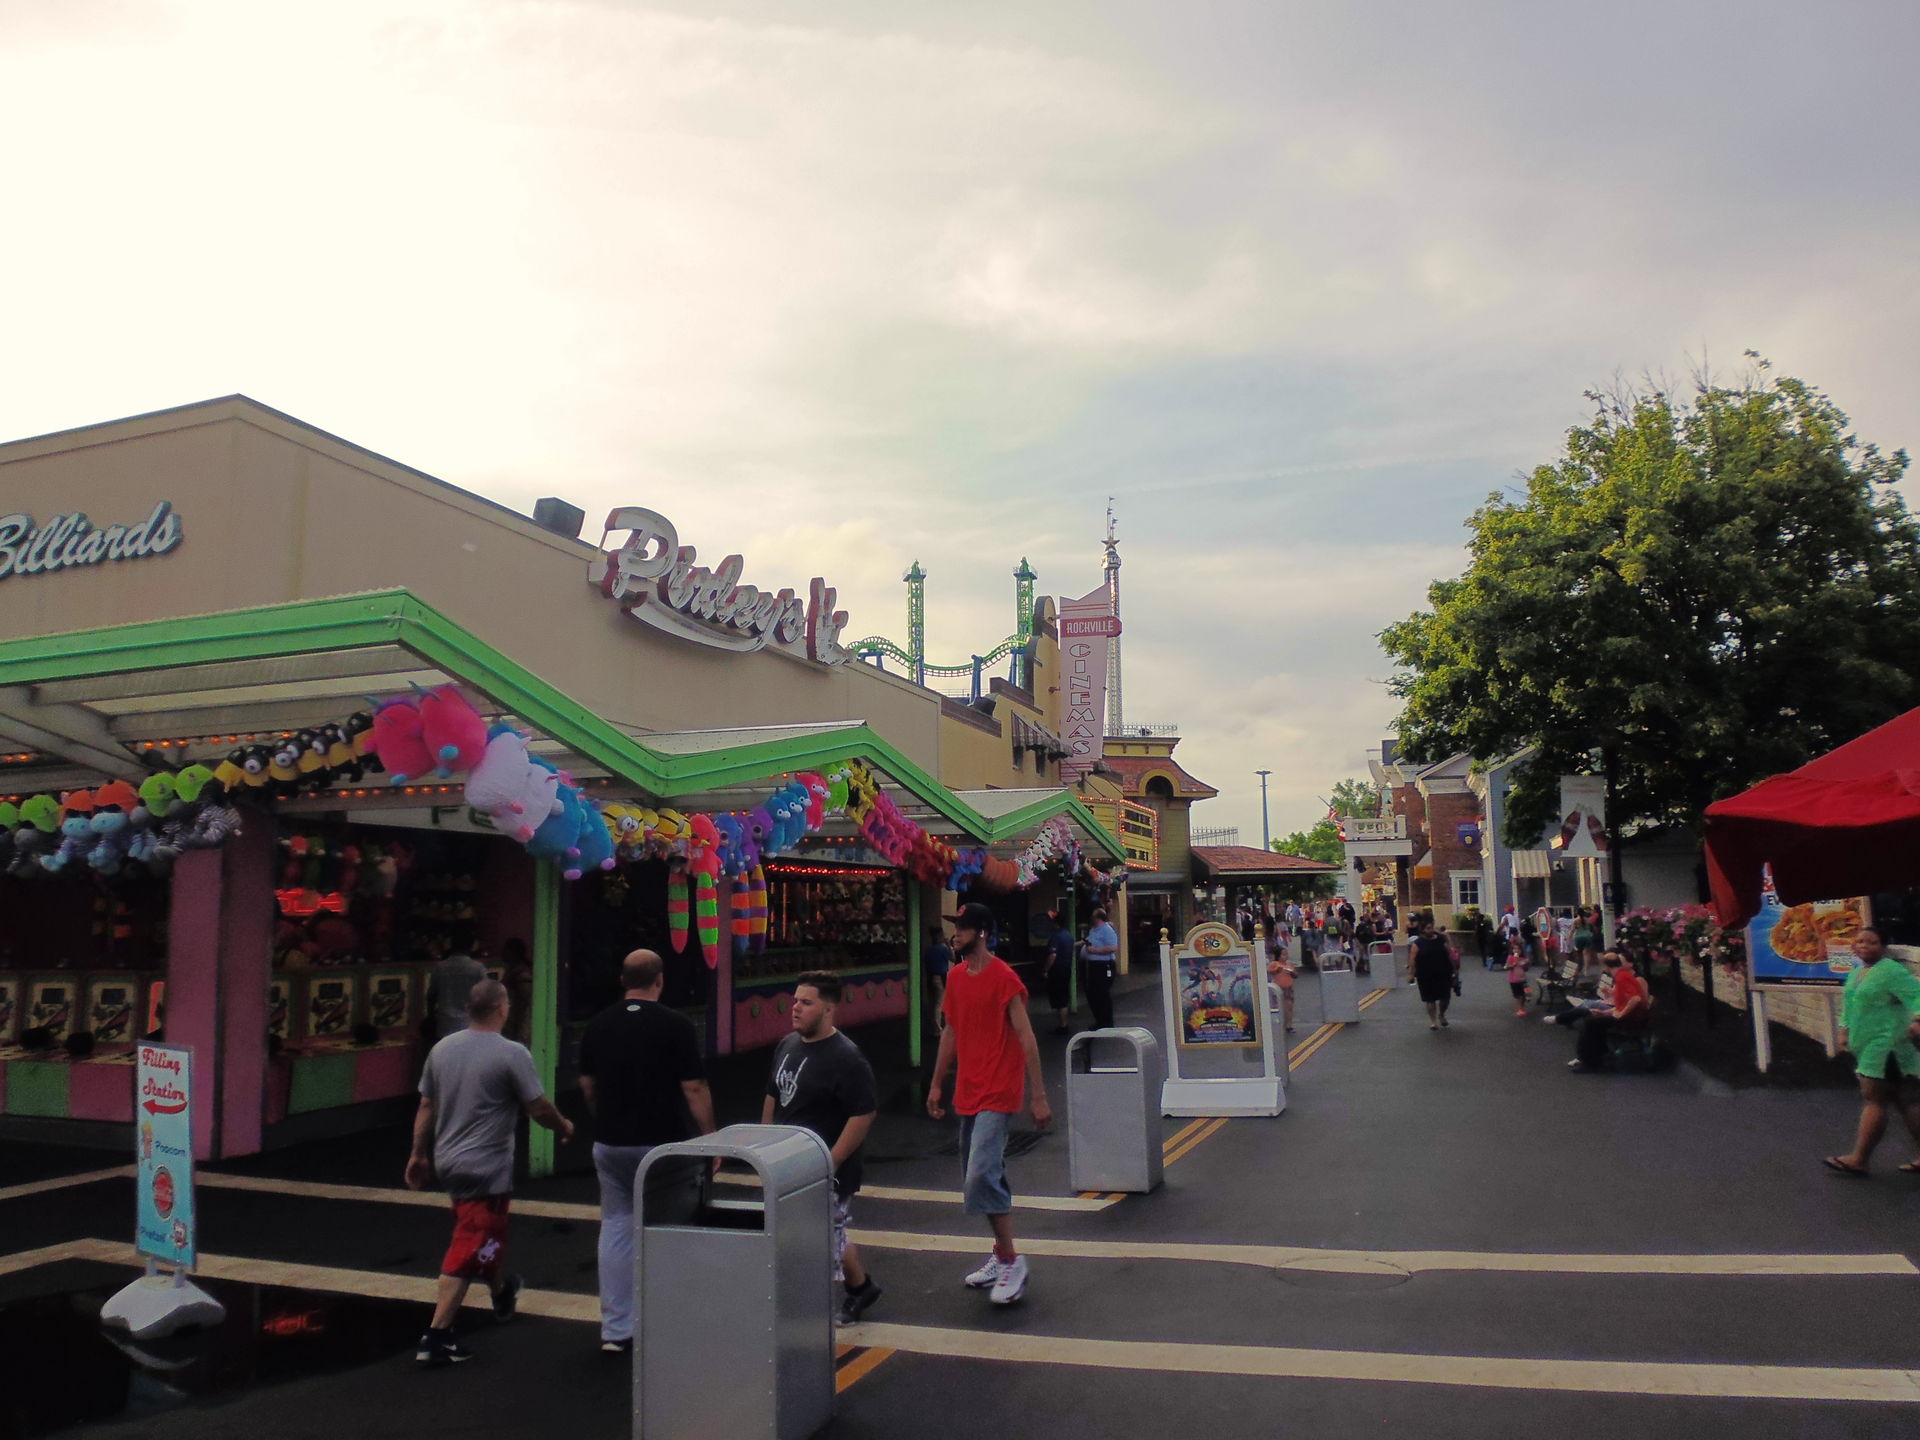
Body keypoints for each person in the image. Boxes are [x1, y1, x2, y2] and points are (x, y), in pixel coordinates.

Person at [406, 978, 573, 1367]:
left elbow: (427, 1106)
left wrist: (418, 1154)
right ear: (502, 1008)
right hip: (488, 1168)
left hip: (449, 1162)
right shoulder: (512, 1053)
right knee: (471, 1240)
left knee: (482, 1231)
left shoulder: (442, 1049)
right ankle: (437, 1335)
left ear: (469, 1009)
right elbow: (538, 1107)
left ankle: (501, 1291)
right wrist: (564, 1125)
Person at [578, 950, 716, 1356]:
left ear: (623, 981)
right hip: (662, 1144)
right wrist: (709, 1138)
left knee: (616, 1226)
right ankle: (671, 1316)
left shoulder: (598, 1024)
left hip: (610, 1143)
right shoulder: (676, 1025)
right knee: (671, 1225)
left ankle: (616, 1329)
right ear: (660, 980)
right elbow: (694, 1087)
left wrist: (603, 1118)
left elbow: (588, 1085)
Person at [927, 901, 1051, 1307]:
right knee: (978, 1176)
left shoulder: (1004, 978)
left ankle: (1012, 1261)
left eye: (962, 928)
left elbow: (1027, 1037)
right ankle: (1001, 1254)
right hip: (968, 1089)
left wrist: (1038, 1095)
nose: (955, 935)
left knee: (981, 1174)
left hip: (999, 1091)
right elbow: (950, 1032)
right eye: (955, 928)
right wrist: (935, 1085)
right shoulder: (955, 977)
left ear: (981, 932)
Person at [765, 970, 881, 1324]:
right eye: (795, 1000)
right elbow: (773, 1095)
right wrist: (764, 1143)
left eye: (806, 1002)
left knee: (822, 1238)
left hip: (826, 1168)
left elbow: (864, 1113)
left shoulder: (847, 1058)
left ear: (829, 1009)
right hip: (788, 1163)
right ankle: (861, 1288)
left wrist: (831, 1161)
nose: (795, 1007)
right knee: (827, 1231)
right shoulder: (787, 1045)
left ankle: (812, 1317)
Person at [1825, 929, 1920, 1177]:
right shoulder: (1857, 972)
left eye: (1872, 942)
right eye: (1859, 941)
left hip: (1886, 1045)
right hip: (1867, 1044)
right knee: (1907, 1101)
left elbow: (1917, 995)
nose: (1864, 946)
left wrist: (1918, 1020)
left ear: (1883, 946)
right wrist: (1844, 1031)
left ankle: (1859, 1159)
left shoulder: (1891, 971)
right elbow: (1850, 1005)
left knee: (1874, 1099)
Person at [1566, 952, 1649, 1071]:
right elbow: (1623, 1003)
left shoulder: (1622, 977)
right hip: (1631, 1016)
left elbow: (1635, 998)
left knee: (1590, 1023)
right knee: (1593, 1021)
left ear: (1605, 966)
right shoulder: (1621, 976)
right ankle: (1598, 1055)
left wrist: (1620, 1014)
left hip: (1631, 1019)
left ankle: (1587, 1061)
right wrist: (1606, 1013)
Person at [426, 950, 487, 1043]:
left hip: (445, 1024)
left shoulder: (440, 967)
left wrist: (431, 1017)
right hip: (470, 1024)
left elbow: (431, 996)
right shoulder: (478, 968)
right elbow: (486, 996)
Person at [1407, 918, 1456, 1030]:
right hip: (1425, 974)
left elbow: (1450, 953)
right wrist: (1410, 974)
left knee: (1445, 998)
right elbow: (1412, 959)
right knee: (1430, 999)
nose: (1431, 930)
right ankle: (1433, 1021)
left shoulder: (1441, 939)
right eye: (1428, 928)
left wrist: (1455, 970)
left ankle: (1441, 1014)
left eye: (1432, 927)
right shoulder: (1418, 943)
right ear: (1423, 930)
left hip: (1443, 972)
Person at [1081, 907, 1119, 1030]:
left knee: (1102, 994)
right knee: (1092, 993)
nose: (1091, 918)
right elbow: (1088, 942)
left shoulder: (1107, 930)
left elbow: (1113, 947)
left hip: (1104, 966)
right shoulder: (1094, 930)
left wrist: (1095, 950)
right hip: (1093, 966)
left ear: (1098, 918)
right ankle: (1099, 1020)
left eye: (1093, 916)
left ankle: (1106, 1022)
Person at [1043, 910, 1075, 1035]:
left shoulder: (1056, 936)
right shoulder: (1068, 935)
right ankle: (1063, 1024)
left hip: (1057, 971)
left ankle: (1063, 1025)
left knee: (1059, 999)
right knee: (1064, 997)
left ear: (1056, 923)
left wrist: (1046, 969)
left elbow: (1053, 955)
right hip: (1066, 968)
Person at [1267, 928, 1297, 1033]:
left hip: (1288, 988)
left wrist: (1292, 973)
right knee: (1279, 1007)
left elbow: (1295, 974)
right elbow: (1269, 971)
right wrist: (1277, 970)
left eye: (1286, 954)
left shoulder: (1289, 964)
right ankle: (1279, 1024)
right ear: (1278, 956)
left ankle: (1289, 1025)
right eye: (1283, 954)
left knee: (1289, 1006)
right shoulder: (1274, 964)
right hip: (1278, 988)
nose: (1286, 956)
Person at [925, 926, 954, 1030]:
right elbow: (953, 958)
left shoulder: (929, 950)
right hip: (941, 977)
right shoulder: (943, 949)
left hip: (931, 976)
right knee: (939, 1003)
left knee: (933, 1001)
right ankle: (937, 1027)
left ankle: (933, 1024)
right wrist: (948, 945)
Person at [1504, 933, 1531, 1016]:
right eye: (1514, 949)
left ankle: (1523, 1005)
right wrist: (1512, 965)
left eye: (1518, 949)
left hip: (1522, 979)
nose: (1516, 951)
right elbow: (1506, 967)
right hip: (1513, 980)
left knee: (1526, 993)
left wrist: (1526, 964)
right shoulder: (1510, 957)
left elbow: (1526, 969)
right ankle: (1520, 1008)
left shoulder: (1523, 958)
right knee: (1517, 995)